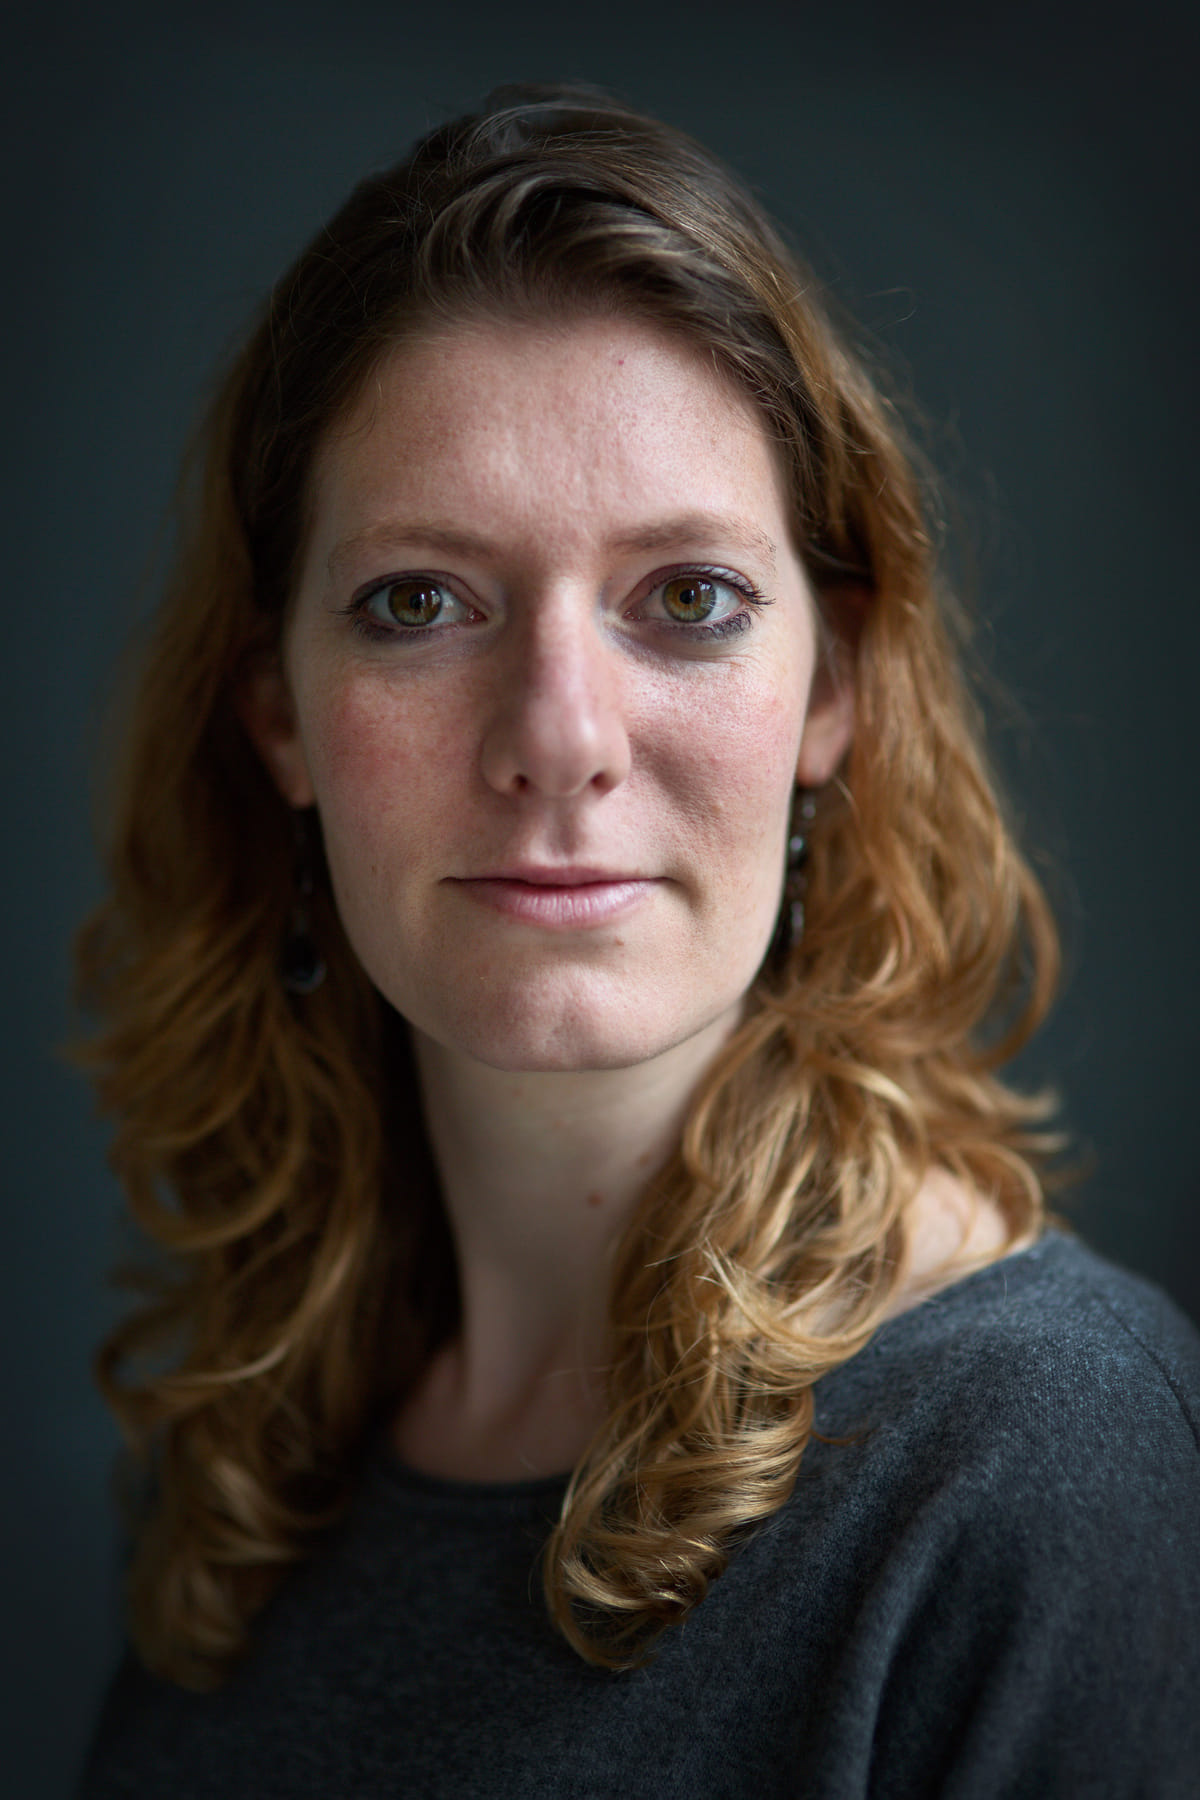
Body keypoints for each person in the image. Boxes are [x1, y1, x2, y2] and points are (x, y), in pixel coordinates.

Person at [76, 84, 1200, 1798]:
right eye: (418, 601)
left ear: (831, 688)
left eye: (688, 599)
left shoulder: (1045, 1462)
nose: (560, 737)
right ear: (278, 712)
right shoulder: (248, 1480)